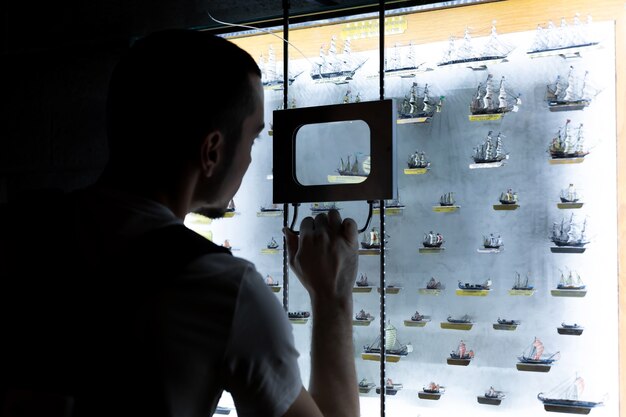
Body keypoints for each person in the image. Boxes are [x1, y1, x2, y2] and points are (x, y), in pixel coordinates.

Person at [0, 29, 360, 417]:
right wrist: (332, 296)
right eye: (252, 141)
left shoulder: (18, 229)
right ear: (212, 152)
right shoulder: (227, 292)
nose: (251, 161)